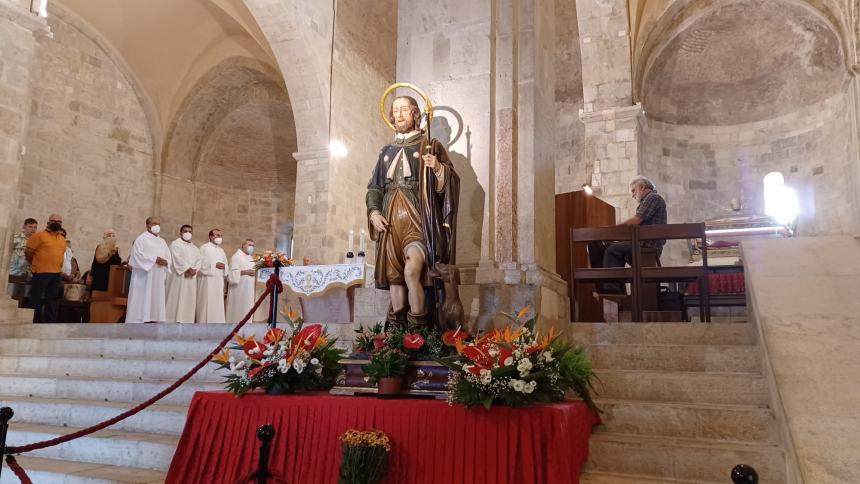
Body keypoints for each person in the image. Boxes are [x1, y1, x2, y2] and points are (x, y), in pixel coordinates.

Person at [366, 95, 459, 325]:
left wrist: (437, 168)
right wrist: (374, 212)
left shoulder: (429, 145)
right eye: (395, 110)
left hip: (417, 219)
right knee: (395, 278)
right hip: (389, 221)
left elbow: (451, 181)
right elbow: (375, 187)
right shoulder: (386, 151)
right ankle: (399, 336)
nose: (398, 115)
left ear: (416, 114)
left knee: (411, 271)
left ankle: (419, 330)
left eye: (404, 110)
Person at [588, 176, 667, 293]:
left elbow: (636, 220)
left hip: (648, 245)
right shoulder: (649, 199)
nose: (632, 195)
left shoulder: (653, 197)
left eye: (633, 190)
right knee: (611, 248)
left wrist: (614, 228)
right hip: (644, 242)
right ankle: (617, 288)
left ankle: (612, 289)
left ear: (642, 187)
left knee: (612, 250)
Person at [126, 217, 171, 324]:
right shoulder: (141, 239)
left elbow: (168, 256)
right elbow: (137, 256)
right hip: (144, 276)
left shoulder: (162, 241)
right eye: (154, 223)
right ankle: (138, 320)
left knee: (156, 297)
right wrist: (154, 259)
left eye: (159, 224)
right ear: (147, 225)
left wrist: (166, 262)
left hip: (158, 275)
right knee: (142, 297)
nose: (157, 226)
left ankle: (155, 318)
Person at [25, 214, 66, 323]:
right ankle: (32, 322)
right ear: (48, 222)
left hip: (56, 274)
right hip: (41, 272)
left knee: (52, 299)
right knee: (35, 298)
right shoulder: (38, 236)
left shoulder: (62, 239)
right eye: (53, 220)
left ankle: (49, 324)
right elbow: (28, 253)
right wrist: (34, 263)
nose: (56, 222)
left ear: (61, 223)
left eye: (59, 221)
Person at [165, 225, 201, 324]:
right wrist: (187, 269)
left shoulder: (195, 248)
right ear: (180, 233)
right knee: (176, 298)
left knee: (188, 300)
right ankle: (171, 320)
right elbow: (177, 258)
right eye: (185, 231)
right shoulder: (175, 244)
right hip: (179, 277)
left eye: (190, 231)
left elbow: (199, 261)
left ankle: (187, 320)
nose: (188, 233)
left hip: (191, 278)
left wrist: (194, 270)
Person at [196, 228, 228, 323]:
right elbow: (199, 264)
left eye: (221, 235)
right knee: (206, 302)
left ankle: (217, 322)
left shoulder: (221, 251)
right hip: (207, 280)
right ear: (211, 236)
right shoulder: (204, 248)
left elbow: (226, 264)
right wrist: (214, 265)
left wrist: (225, 266)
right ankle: (203, 322)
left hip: (218, 280)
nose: (220, 237)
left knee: (217, 303)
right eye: (217, 235)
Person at [226, 239, 256, 323]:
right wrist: (246, 272)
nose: (251, 247)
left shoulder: (251, 258)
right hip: (239, 290)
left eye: (253, 245)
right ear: (243, 245)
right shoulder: (236, 257)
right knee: (238, 310)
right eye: (249, 245)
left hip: (248, 290)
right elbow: (231, 274)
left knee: (247, 309)